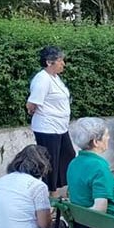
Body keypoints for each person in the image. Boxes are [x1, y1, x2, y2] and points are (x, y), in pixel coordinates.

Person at [26, 46, 74, 197]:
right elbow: (31, 104)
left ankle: (65, 188)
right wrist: (35, 111)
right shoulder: (42, 79)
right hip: (47, 127)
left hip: (60, 127)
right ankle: (51, 194)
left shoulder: (55, 78)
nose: (63, 64)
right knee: (50, 161)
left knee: (68, 155)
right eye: (60, 61)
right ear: (49, 62)